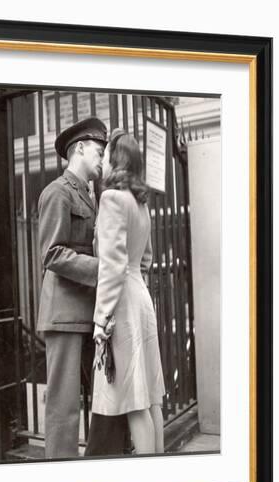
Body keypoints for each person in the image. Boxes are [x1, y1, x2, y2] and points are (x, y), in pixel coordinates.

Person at [37, 117, 128, 459]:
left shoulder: (91, 195)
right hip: (63, 314)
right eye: (98, 151)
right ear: (79, 149)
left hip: (87, 312)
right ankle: (60, 480)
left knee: (104, 396)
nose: (102, 158)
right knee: (63, 406)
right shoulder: (57, 192)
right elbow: (52, 253)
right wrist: (104, 269)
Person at [90, 128, 166, 455]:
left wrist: (101, 318)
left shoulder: (111, 198)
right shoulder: (139, 203)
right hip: (140, 296)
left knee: (134, 399)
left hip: (121, 301)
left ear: (115, 159)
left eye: (105, 155)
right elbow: (144, 259)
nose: (103, 162)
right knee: (150, 396)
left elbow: (111, 265)